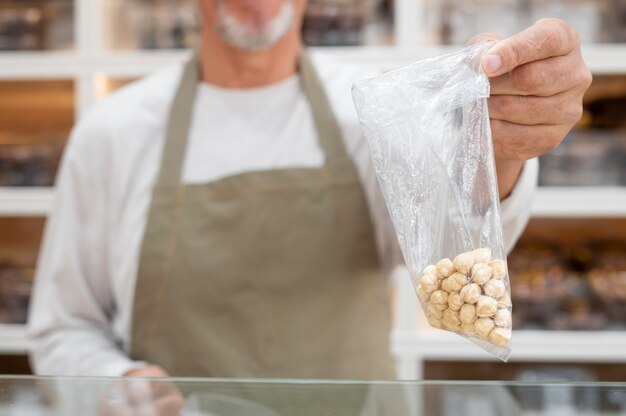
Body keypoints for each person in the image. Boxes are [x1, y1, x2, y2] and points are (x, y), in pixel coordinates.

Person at [28, 0, 591, 382]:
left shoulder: (374, 110)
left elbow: (457, 236)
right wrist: (114, 383)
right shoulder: (112, 133)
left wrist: (504, 143)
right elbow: (61, 329)